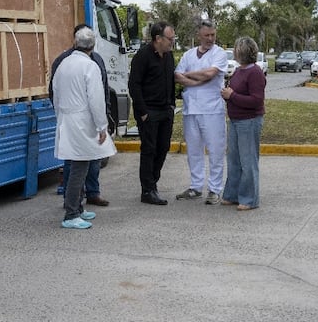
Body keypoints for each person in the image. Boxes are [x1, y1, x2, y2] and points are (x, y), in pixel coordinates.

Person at [51, 27, 116, 229]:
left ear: (75, 43)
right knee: (80, 168)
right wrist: (102, 126)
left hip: (67, 120)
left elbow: (55, 94)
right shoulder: (90, 66)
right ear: (93, 45)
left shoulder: (64, 64)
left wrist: (60, 117)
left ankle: (76, 208)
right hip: (83, 122)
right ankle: (71, 214)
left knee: (76, 165)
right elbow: (96, 99)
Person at [173, 20, 227, 204]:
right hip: (191, 109)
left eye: (213, 35)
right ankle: (196, 187)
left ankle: (214, 189)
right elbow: (176, 76)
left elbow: (209, 74)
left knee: (215, 150)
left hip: (212, 110)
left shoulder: (219, 53)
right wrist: (195, 79)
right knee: (194, 150)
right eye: (207, 35)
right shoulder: (188, 55)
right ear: (199, 36)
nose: (210, 38)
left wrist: (189, 74)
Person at [128, 21, 177, 206]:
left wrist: (171, 104)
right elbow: (134, 85)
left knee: (163, 148)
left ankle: (153, 183)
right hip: (149, 112)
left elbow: (170, 81)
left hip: (165, 110)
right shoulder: (143, 56)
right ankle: (147, 190)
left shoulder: (169, 56)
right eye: (169, 39)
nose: (172, 42)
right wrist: (142, 112)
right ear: (158, 39)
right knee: (149, 150)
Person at [220, 36, 266, 211]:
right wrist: (227, 94)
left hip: (249, 121)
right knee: (234, 160)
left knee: (248, 161)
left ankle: (249, 199)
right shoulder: (239, 70)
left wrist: (232, 96)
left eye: (236, 49)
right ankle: (232, 194)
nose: (234, 52)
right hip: (235, 120)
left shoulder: (255, 72)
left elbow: (256, 100)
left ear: (242, 52)